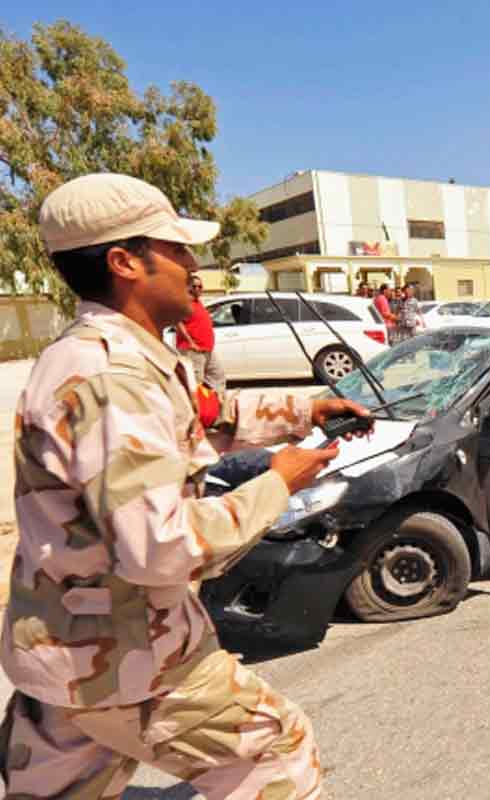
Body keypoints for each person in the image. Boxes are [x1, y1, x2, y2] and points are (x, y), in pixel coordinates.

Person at [0, 173, 372, 799]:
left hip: (68, 651)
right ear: (124, 262)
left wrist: (304, 413)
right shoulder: (111, 375)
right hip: (130, 660)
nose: (193, 265)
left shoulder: (109, 355)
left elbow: (195, 423)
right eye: (175, 249)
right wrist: (278, 484)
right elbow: (159, 548)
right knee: (277, 754)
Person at [175, 274, 225, 395]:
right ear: (188, 287)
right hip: (194, 351)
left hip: (207, 349)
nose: (197, 289)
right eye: (194, 286)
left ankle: (215, 408)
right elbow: (178, 322)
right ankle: (196, 412)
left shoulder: (198, 303)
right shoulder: (185, 302)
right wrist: (191, 343)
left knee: (218, 378)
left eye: (200, 286)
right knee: (195, 384)